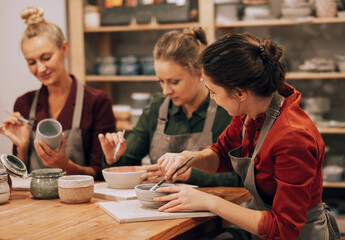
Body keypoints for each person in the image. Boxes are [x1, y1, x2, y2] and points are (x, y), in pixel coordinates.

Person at [154, 33, 340, 239]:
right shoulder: (247, 113)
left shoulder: (293, 137)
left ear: (240, 93)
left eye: (213, 91)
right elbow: (221, 155)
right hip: (261, 227)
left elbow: (284, 229)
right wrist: (188, 157)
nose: (211, 98)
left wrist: (209, 202)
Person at [99, 27, 242, 187]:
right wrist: (113, 158)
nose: (166, 91)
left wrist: (187, 174)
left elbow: (241, 179)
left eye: (174, 82)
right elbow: (129, 165)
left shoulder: (227, 110)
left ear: (200, 73)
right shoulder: (157, 107)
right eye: (161, 81)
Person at [0, 7, 116, 180]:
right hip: (36, 202)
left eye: (46, 58)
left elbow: (102, 173)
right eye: (31, 62)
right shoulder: (24, 103)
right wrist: (22, 147)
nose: (40, 68)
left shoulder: (96, 101)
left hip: (81, 202)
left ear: (64, 49)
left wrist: (65, 166)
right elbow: (17, 180)